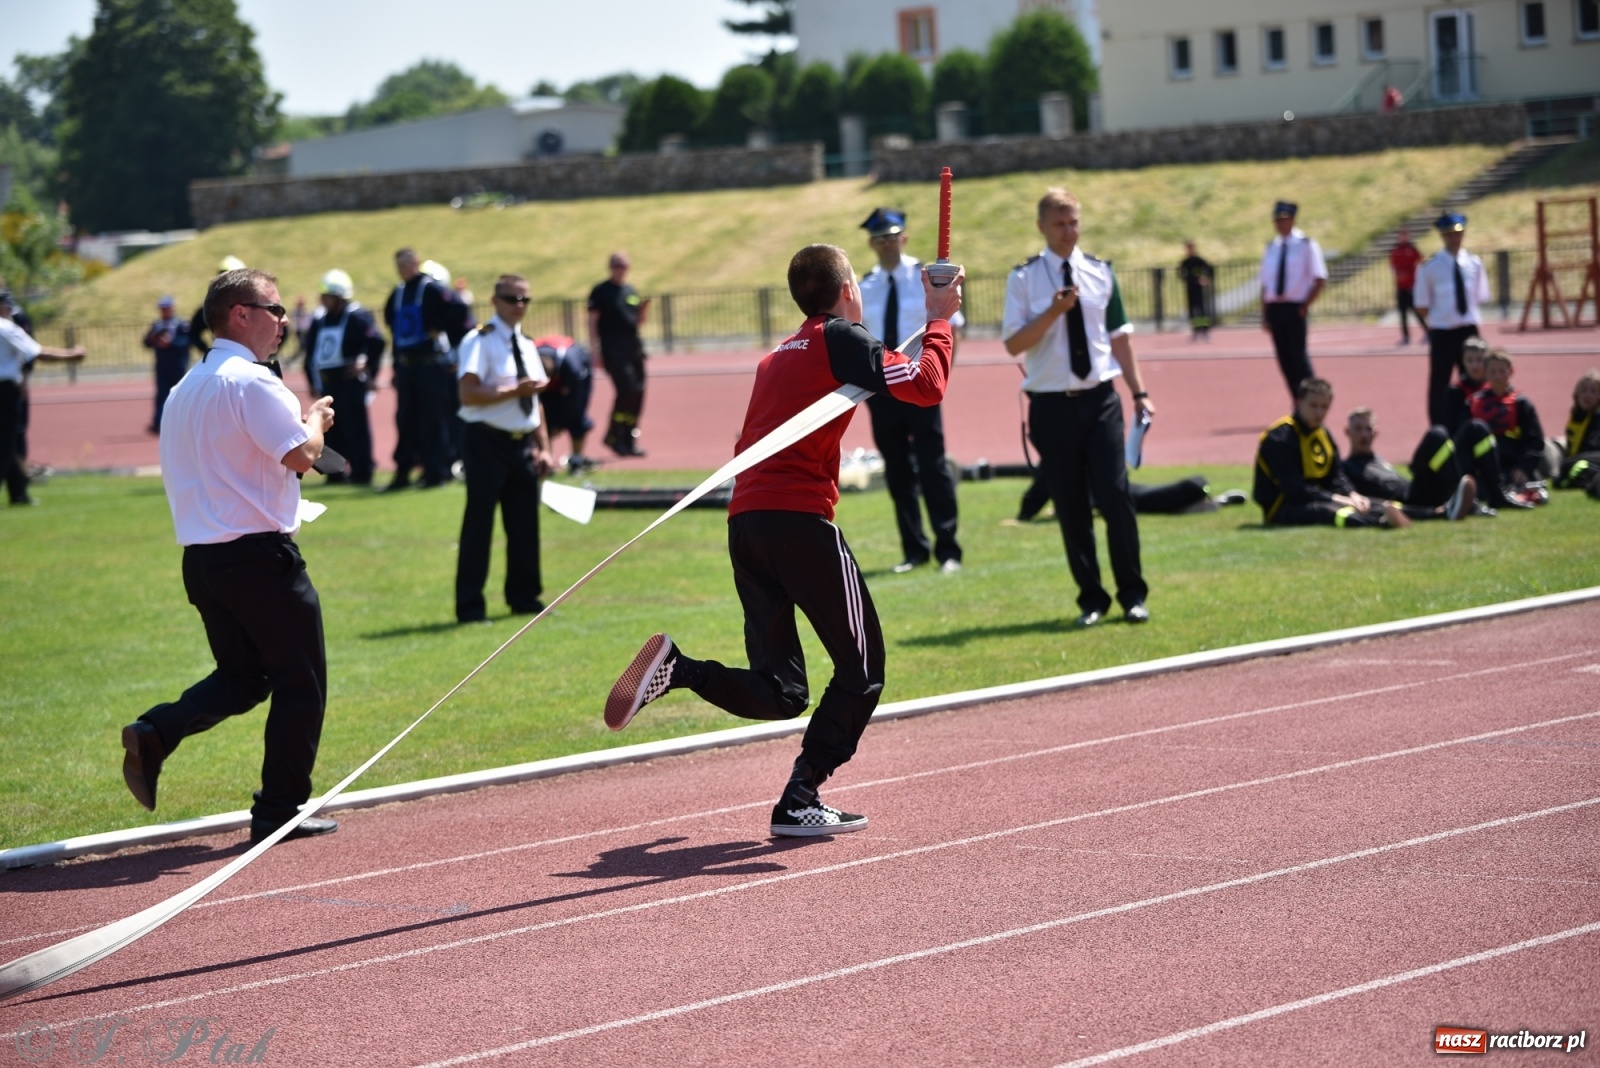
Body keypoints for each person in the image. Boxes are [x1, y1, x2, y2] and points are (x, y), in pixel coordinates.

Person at [603, 243, 961, 836]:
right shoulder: (838, 338)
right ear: (848, 288)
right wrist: (943, 317)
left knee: (783, 689)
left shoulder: (778, 356)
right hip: (799, 523)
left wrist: (932, 322)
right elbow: (925, 385)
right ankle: (801, 794)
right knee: (863, 665)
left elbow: (891, 367)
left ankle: (680, 669)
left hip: (747, 524)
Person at [120, 267, 340, 845]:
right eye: (273, 309)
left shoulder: (186, 386)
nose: (283, 321)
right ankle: (278, 811)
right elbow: (301, 456)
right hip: (259, 560)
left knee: (243, 678)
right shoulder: (253, 380)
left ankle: (156, 732)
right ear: (239, 314)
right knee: (302, 682)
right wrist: (314, 420)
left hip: (204, 560)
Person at [1003, 187, 1153, 627]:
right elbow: (1014, 343)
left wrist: (1140, 392)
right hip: (1051, 404)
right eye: (1059, 224)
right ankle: (1091, 598)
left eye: (1074, 222)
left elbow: (1120, 339)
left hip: (1100, 399)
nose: (1068, 231)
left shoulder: (1100, 272)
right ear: (1041, 227)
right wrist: (1051, 313)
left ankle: (1132, 594)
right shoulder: (1024, 279)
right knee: (1070, 504)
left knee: (1115, 494)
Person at [857, 206, 963, 574]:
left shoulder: (926, 277)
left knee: (933, 465)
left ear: (904, 237)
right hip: (884, 390)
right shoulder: (864, 286)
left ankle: (947, 549)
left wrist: (940, 376)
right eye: (880, 239)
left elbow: (950, 327)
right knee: (898, 470)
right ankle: (914, 549)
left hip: (921, 382)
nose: (888, 244)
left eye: (893, 236)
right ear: (872, 243)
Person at [454, 274, 552, 625]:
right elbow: (467, 393)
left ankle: (525, 598)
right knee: (479, 524)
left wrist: (544, 447)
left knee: (525, 523)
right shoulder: (479, 341)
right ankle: (470, 607)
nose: (520, 306)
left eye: (526, 299)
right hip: (486, 440)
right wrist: (513, 392)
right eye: (513, 299)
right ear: (495, 301)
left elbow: (535, 400)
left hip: (521, 443)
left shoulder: (525, 343)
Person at [1253, 377, 1410, 529]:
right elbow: (1295, 489)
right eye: (1313, 406)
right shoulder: (1279, 438)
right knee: (1328, 511)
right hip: (1283, 506)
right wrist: (1337, 498)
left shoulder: (1323, 433)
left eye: (1324, 407)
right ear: (1298, 403)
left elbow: (1336, 475)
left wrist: (1352, 494)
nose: (1319, 412)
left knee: (1368, 502)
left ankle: (1430, 513)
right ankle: (1382, 523)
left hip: (1319, 497)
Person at [1, 290, 84, 506]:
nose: (10, 309)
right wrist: (71, 355)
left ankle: (18, 493)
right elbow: (37, 353)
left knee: (8, 445)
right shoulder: (6, 327)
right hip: (5, 393)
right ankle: (17, 492)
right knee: (6, 444)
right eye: (5, 304)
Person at [383, 247, 455, 490]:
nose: (402, 270)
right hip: (407, 368)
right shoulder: (399, 293)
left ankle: (436, 472)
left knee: (433, 420)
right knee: (405, 419)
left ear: (416, 263)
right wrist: (395, 366)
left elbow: (457, 310)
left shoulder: (431, 288)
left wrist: (438, 327)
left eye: (405, 265)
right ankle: (403, 473)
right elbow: (394, 329)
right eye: (399, 266)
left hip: (430, 365)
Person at [303, 269, 384, 484]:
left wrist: (368, 367)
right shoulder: (320, 320)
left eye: (327, 295)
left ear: (339, 297)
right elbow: (310, 353)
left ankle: (362, 473)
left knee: (356, 428)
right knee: (331, 430)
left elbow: (377, 342)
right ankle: (334, 475)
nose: (322, 300)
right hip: (328, 383)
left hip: (350, 382)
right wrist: (312, 381)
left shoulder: (357, 316)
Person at [1414, 212, 1490, 427]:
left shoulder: (1474, 263)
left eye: (1457, 234)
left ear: (1463, 233)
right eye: (1448, 235)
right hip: (1443, 331)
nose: (1454, 239)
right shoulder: (1429, 266)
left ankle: (1476, 420)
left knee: (1476, 377)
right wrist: (1441, 317)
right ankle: (1439, 427)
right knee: (1440, 383)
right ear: (1442, 236)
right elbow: (1421, 305)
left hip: (1468, 330)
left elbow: (1479, 297)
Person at [1340, 407, 1479, 520]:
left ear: (1375, 433)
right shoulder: (1346, 468)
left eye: (1368, 429)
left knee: (1449, 438)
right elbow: (1365, 500)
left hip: (1417, 489)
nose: (1364, 434)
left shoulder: (1378, 460)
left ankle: (1459, 499)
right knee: (1436, 435)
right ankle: (1463, 503)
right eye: (1358, 429)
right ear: (1347, 432)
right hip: (1407, 500)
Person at [1258, 201, 1328, 397]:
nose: (1280, 223)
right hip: (1275, 308)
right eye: (1277, 220)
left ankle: (1313, 400)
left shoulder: (1306, 244)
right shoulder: (1271, 247)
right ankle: (1297, 401)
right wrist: (1264, 315)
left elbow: (1320, 278)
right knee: (1284, 359)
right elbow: (1265, 284)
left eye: (1284, 219)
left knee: (1299, 357)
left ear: (1293, 219)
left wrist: (1305, 305)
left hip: (1295, 307)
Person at [588, 251, 650, 457]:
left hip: (634, 348)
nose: (620, 269)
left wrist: (642, 312)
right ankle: (614, 436)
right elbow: (592, 321)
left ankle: (628, 438)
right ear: (610, 267)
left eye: (623, 266)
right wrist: (595, 350)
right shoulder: (600, 291)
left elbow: (637, 321)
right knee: (626, 391)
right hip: (613, 349)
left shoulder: (630, 290)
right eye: (616, 265)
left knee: (638, 393)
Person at [1470, 349, 1549, 502]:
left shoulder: (1522, 404)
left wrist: (1523, 467)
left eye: (1502, 371)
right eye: (1492, 371)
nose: (1498, 376)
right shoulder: (1473, 404)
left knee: (1532, 488)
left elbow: (1535, 441)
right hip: (1485, 466)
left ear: (1511, 372)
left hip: (1514, 466)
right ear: (1485, 373)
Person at [533, 333, 597, 473]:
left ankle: (576, 460)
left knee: (577, 418)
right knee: (544, 419)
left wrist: (560, 424)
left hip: (575, 380)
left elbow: (574, 405)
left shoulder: (571, 365)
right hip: (550, 380)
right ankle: (546, 460)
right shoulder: (527, 357)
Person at [142, 295, 192, 434]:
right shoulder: (156, 325)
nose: (164, 311)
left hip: (177, 365)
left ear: (172, 308)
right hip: (162, 366)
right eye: (162, 309)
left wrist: (171, 343)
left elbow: (186, 343)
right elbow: (146, 343)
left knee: (179, 395)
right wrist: (152, 339)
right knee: (161, 395)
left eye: (166, 308)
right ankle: (158, 423)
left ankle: (181, 423)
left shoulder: (181, 325)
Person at [189, 255, 247, 361]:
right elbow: (193, 331)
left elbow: (280, 328)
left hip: (250, 361)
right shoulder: (211, 309)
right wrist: (206, 350)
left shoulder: (256, 307)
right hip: (222, 361)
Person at [1555, 369, 1600, 498]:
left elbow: (1592, 446)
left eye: (1593, 391)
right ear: (1577, 393)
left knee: (1575, 467)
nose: (1587, 395)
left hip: (1593, 458)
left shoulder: (1597, 417)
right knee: (1569, 467)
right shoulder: (1575, 417)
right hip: (1580, 459)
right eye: (1584, 390)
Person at [1388, 229, 1425, 346]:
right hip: (1401, 287)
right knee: (1402, 313)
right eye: (1401, 235)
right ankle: (1406, 336)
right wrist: (1399, 273)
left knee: (1416, 311)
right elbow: (1392, 264)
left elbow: (1421, 261)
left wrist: (1414, 273)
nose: (1403, 237)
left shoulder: (1412, 249)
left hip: (1412, 286)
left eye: (1405, 235)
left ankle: (1428, 332)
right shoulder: (1395, 249)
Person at [1177, 241, 1214, 341]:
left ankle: (1205, 331)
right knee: (1193, 311)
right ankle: (1195, 330)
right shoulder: (1185, 262)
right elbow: (1180, 273)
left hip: (1200, 289)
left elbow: (1209, 269)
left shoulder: (1199, 260)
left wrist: (1205, 278)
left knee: (1202, 310)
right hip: (1190, 289)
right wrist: (1185, 279)